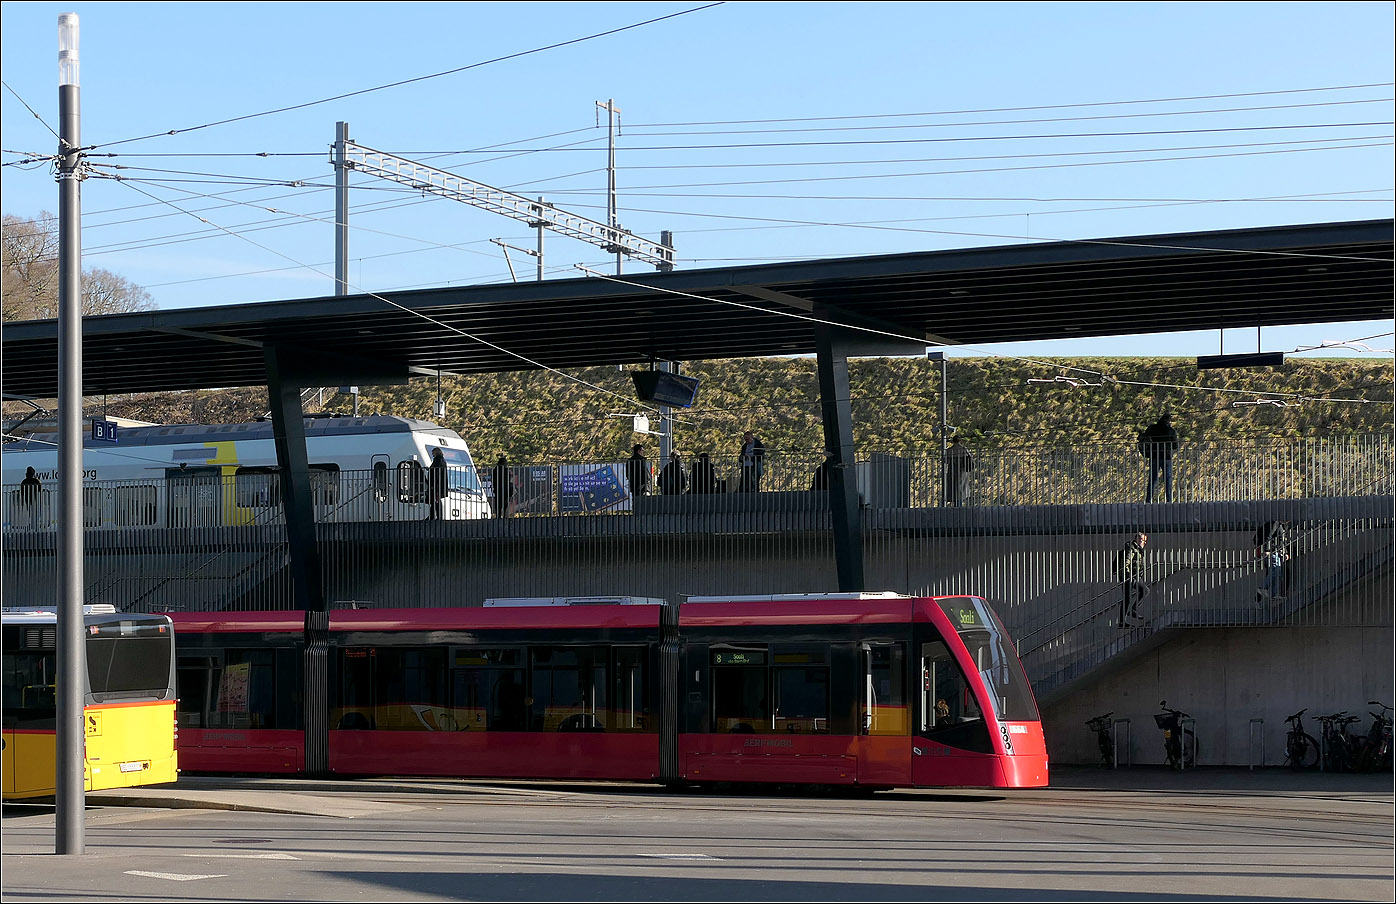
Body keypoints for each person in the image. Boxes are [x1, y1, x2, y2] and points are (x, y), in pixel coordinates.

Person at [1137, 412, 1180, 502]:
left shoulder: (1153, 428)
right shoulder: (1171, 430)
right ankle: (1169, 499)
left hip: (1154, 456)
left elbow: (1145, 437)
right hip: (1166, 457)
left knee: (1152, 478)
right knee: (1167, 479)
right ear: (1169, 421)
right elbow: (1175, 445)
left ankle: (1148, 499)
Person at [1115, 532, 1150, 626]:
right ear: (1138, 539)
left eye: (1145, 541)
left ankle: (1132, 611)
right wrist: (1128, 575)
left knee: (1144, 591)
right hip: (1129, 577)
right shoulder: (1131, 549)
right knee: (1128, 598)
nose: (1144, 543)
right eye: (1143, 540)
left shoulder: (1137, 549)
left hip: (1135, 576)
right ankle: (1123, 621)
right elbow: (1126, 562)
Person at [1255, 520, 1290, 603]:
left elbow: (1283, 541)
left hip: (1279, 552)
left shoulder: (1283, 526)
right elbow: (1269, 536)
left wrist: (1285, 552)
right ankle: (1263, 588)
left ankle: (1274, 594)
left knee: (1278, 573)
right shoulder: (1276, 524)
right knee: (1275, 571)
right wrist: (1267, 549)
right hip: (1273, 551)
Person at [945, 434, 974, 506]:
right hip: (962, 471)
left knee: (953, 488)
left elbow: (945, 461)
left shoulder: (949, 450)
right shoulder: (964, 449)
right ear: (960, 441)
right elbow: (970, 458)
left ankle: (955, 504)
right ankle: (959, 505)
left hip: (952, 471)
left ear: (953, 441)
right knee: (961, 489)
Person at [426, 448, 448, 520]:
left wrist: (433, 483)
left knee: (435, 500)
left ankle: (436, 516)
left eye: (433, 453)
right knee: (435, 500)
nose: (432, 454)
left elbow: (436, 472)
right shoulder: (442, 460)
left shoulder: (437, 460)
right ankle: (434, 516)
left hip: (436, 484)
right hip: (439, 484)